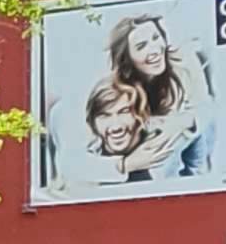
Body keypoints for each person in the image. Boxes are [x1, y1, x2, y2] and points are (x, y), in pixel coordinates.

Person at [84, 11, 203, 184]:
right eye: (141, 46)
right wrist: (124, 165)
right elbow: (76, 160)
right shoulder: (116, 93)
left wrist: (184, 121)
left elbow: (206, 113)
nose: (154, 50)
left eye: (156, 38)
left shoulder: (184, 66)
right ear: (127, 58)